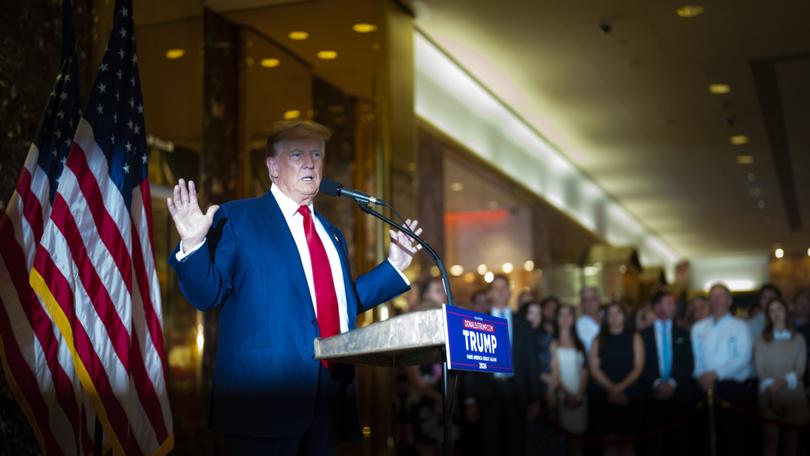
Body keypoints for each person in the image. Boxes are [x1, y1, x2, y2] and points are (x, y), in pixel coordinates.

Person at [167, 120, 421, 455]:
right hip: (263, 402)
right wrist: (193, 245)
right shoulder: (238, 218)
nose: (310, 162)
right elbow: (206, 295)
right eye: (297, 153)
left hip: (326, 399)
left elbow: (336, 307)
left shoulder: (332, 234)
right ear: (272, 166)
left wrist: (394, 267)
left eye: (317, 154)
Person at [462, 274, 541, 456]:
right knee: (490, 445)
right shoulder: (476, 323)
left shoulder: (523, 324)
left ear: (510, 291)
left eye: (504, 287)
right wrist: (470, 398)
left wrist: (535, 397)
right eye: (496, 288)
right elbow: (470, 364)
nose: (500, 292)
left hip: (517, 393)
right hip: (487, 393)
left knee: (517, 444)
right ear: (489, 293)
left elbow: (531, 361)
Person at [691, 283, 755, 456]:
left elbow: (743, 357)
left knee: (732, 439)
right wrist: (702, 378)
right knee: (703, 439)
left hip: (731, 389)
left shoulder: (740, 326)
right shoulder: (698, 327)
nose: (717, 299)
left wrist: (715, 374)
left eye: (721, 296)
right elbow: (695, 358)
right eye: (713, 296)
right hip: (703, 388)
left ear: (730, 300)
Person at [638, 290, 695, 456]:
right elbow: (641, 365)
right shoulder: (642, 335)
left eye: (673, 303)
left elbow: (688, 363)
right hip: (651, 397)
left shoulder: (683, 333)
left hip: (679, 397)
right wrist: (656, 383)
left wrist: (671, 383)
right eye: (669, 303)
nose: (674, 306)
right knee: (652, 445)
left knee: (678, 444)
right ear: (657, 307)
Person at [754, 297, 809, 456]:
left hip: (793, 395)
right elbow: (760, 367)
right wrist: (772, 389)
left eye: (779, 309)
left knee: (791, 443)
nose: (776, 314)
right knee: (770, 440)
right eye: (771, 311)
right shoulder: (761, 340)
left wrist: (781, 383)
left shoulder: (798, 339)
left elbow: (800, 369)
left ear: (786, 312)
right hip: (769, 393)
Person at [588, 303, 644, 456]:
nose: (614, 317)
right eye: (610, 313)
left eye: (618, 312)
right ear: (605, 318)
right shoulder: (598, 339)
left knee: (628, 444)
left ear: (624, 316)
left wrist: (619, 388)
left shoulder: (635, 337)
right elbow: (594, 368)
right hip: (604, 395)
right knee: (609, 445)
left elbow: (638, 367)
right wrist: (612, 389)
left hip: (630, 394)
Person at [518, 300, 561, 455]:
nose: (534, 317)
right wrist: (543, 377)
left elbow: (555, 369)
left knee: (548, 443)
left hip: (547, 397)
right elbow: (519, 367)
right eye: (531, 313)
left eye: (538, 313)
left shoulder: (547, 337)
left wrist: (551, 391)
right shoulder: (516, 338)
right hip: (524, 396)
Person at [549, 304, 588, 456]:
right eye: (561, 314)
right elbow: (555, 372)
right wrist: (567, 394)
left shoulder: (580, 343)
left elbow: (584, 371)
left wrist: (578, 395)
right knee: (562, 443)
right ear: (557, 319)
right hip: (561, 397)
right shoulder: (553, 343)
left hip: (580, 397)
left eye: (569, 314)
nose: (565, 318)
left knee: (578, 444)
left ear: (573, 318)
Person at [576, 287, 602, 354]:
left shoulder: (610, 317)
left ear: (599, 300)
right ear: (581, 304)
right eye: (585, 300)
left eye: (593, 299)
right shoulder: (578, 325)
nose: (589, 303)